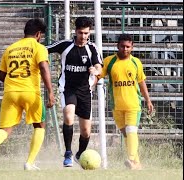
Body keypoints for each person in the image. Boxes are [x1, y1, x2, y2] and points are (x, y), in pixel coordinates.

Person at [0, 18, 55, 171]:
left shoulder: (10, 48)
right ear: (38, 34)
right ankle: (29, 163)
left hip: (10, 92)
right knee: (40, 125)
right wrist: (50, 91)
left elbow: (2, 76)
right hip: (30, 92)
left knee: (5, 129)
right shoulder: (39, 47)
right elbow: (43, 67)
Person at [46, 16, 103, 167]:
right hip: (68, 89)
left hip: (85, 91)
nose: (83, 36)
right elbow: (44, 49)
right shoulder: (65, 45)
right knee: (69, 116)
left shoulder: (92, 48)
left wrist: (95, 70)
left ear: (89, 32)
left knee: (85, 132)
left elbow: (99, 66)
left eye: (86, 33)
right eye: (80, 33)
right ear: (75, 31)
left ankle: (79, 155)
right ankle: (68, 153)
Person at [97, 34, 153, 170]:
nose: (125, 49)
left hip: (133, 105)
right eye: (122, 46)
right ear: (117, 46)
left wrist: (148, 100)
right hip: (116, 106)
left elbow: (141, 82)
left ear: (132, 47)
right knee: (126, 134)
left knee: (131, 130)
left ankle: (131, 159)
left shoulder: (136, 62)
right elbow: (98, 75)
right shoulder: (109, 61)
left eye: (128, 47)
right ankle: (137, 164)